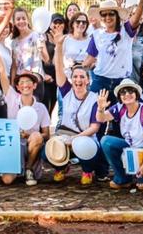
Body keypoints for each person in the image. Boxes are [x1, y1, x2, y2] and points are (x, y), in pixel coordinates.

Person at [47, 31, 105, 185]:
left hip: (85, 137)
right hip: (65, 133)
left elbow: (94, 127)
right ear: (71, 79)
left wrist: (75, 139)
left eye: (82, 77)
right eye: (75, 76)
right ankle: (61, 166)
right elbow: (59, 69)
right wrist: (59, 46)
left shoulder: (94, 98)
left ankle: (87, 170)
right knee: (47, 149)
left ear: (88, 80)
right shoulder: (66, 91)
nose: (78, 80)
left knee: (82, 146)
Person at [0, 48, 49, 186]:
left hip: (31, 147)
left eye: (28, 82)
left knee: (37, 136)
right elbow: (2, 71)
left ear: (34, 85)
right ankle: (16, 169)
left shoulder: (41, 108)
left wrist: (29, 135)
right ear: (17, 87)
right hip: (13, 146)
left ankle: (29, 168)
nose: (25, 85)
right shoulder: (12, 98)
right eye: (21, 82)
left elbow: (47, 134)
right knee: (7, 180)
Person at [96, 78, 143, 190]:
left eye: (131, 91)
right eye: (123, 92)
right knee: (106, 141)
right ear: (119, 97)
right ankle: (123, 178)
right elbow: (101, 118)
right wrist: (100, 108)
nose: (127, 94)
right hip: (133, 149)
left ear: (136, 94)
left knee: (142, 185)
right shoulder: (120, 108)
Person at [80, 0, 143, 94]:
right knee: (92, 104)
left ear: (117, 16)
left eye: (111, 14)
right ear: (100, 17)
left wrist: (142, 0)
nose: (107, 17)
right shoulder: (97, 35)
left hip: (122, 81)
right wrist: (77, 68)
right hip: (101, 80)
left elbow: (135, 19)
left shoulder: (126, 30)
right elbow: (90, 59)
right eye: (104, 14)